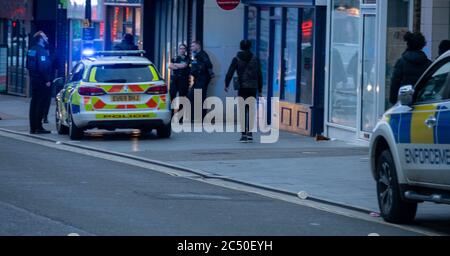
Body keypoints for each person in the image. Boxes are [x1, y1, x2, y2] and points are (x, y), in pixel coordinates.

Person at [225, 40, 262, 142]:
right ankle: (250, 134)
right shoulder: (255, 59)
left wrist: (226, 84)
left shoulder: (236, 59)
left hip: (242, 88)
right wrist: (260, 89)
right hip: (252, 88)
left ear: (240, 46)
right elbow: (259, 75)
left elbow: (230, 72)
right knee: (250, 111)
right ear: (250, 46)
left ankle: (243, 135)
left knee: (242, 111)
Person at [389, 32, 432, 105]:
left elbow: (395, 84)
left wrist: (393, 100)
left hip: (405, 104)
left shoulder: (401, 63)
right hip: (424, 103)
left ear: (408, 44)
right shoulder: (429, 64)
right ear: (422, 45)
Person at [26, 31, 54, 134]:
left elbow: (28, 66)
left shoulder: (31, 50)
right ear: (41, 39)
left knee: (34, 103)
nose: (47, 38)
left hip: (34, 80)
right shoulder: (41, 51)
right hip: (42, 81)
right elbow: (43, 67)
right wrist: (47, 80)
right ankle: (38, 127)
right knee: (40, 103)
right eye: (45, 37)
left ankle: (33, 127)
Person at [189, 40, 213, 120]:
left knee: (200, 98)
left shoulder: (203, 55)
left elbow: (209, 65)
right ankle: (195, 117)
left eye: (193, 46)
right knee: (192, 96)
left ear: (198, 46)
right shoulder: (197, 55)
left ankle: (201, 118)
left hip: (202, 79)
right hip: (198, 79)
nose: (191, 48)